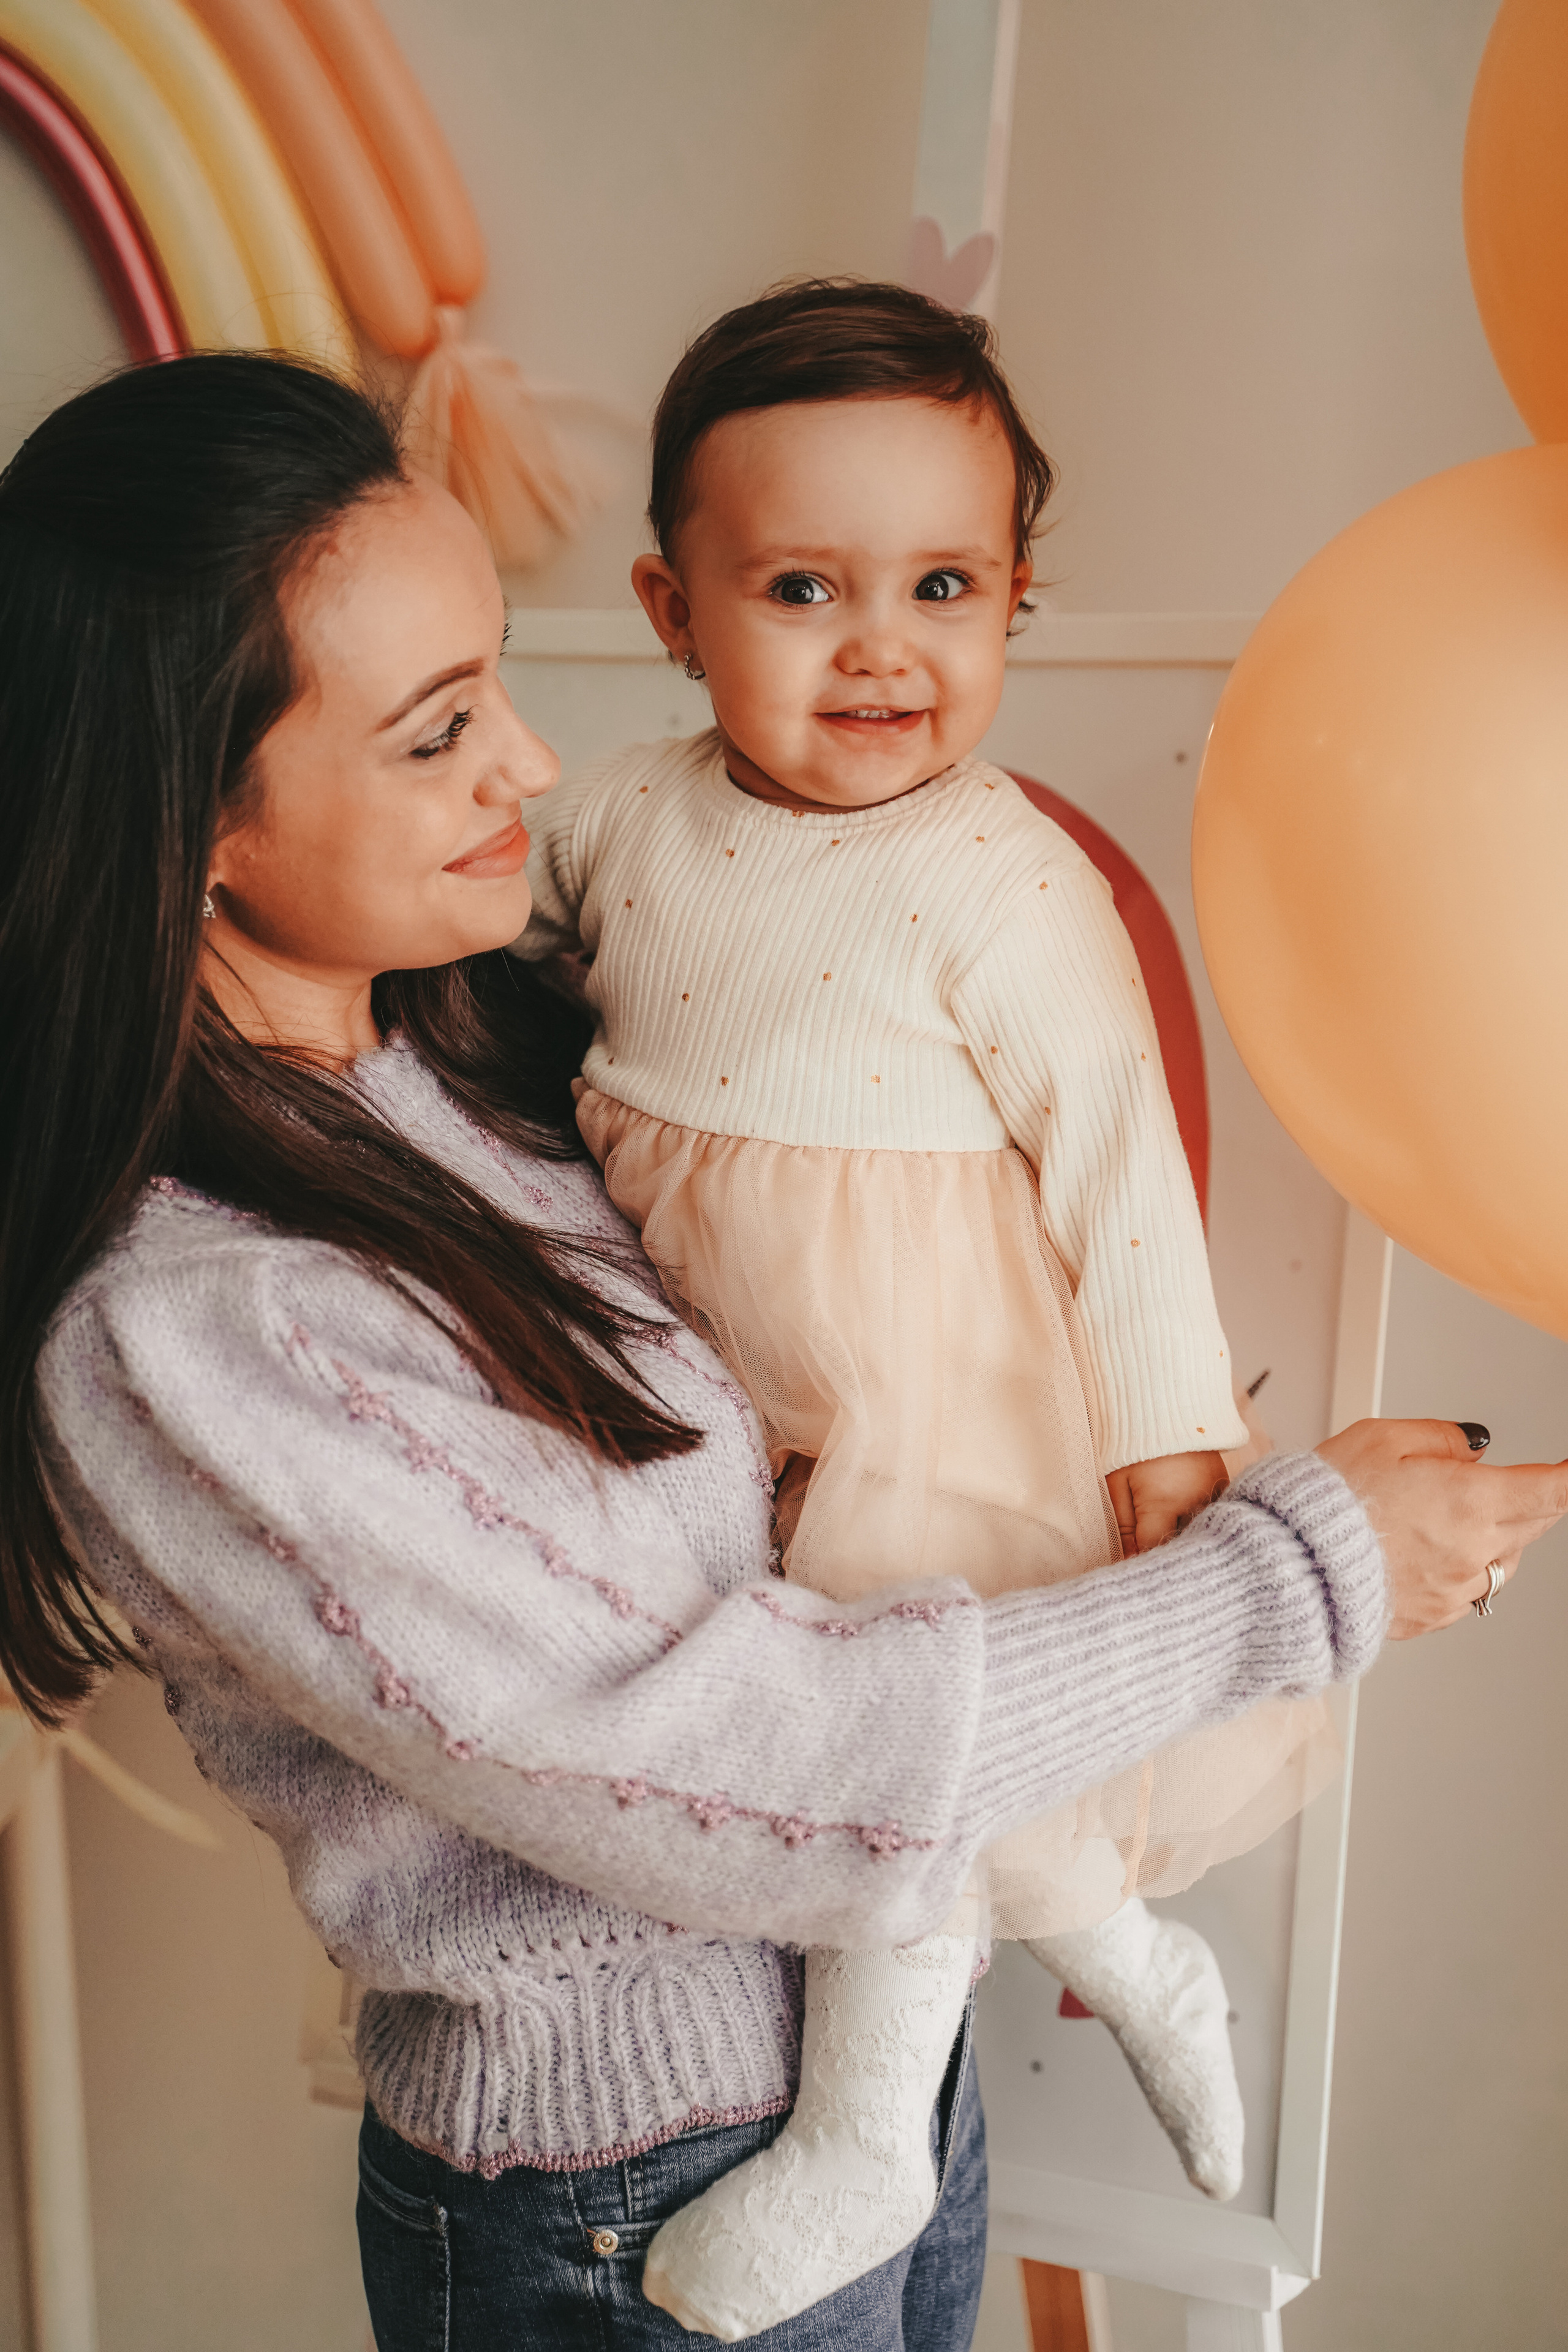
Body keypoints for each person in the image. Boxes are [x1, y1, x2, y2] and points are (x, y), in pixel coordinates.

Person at [1, 353, 1559, 2352]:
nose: (534, 768)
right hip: (621, 2198)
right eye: (439, 730)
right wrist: (1301, 1569)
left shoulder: (464, 1056)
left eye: (500, 683)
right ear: (188, 813)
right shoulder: (194, 1329)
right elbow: (729, 1756)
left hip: (878, 2066)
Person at [511, 281, 1318, 2332]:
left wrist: (1165, 1445)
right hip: (718, 1376)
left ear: (1016, 598)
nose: (884, 644)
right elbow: (491, 985)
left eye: (944, 585)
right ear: (673, 609)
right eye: (802, 585)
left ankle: (867, 2141)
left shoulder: (1005, 879)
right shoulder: (616, 816)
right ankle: (1134, 1956)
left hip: (933, 1380)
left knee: (909, 1722)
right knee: (777, 1709)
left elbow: (1121, 1168)